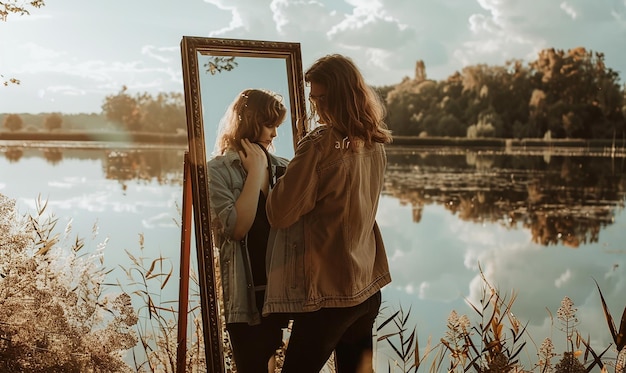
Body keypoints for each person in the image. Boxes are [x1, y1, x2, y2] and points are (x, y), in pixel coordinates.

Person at [263, 54, 393, 372]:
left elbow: (280, 213)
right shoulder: (374, 142)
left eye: (322, 98)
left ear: (343, 96)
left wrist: (264, 178)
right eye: (313, 97)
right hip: (365, 288)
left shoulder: (321, 144)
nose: (317, 106)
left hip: (332, 296)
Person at [207, 88, 290, 372]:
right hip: (248, 297)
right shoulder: (218, 171)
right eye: (269, 125)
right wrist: (255, 173)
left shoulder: (283, 169)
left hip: (284, 294)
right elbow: (238, 228)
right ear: (250, 121)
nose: (275, 135)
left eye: (277, 126)